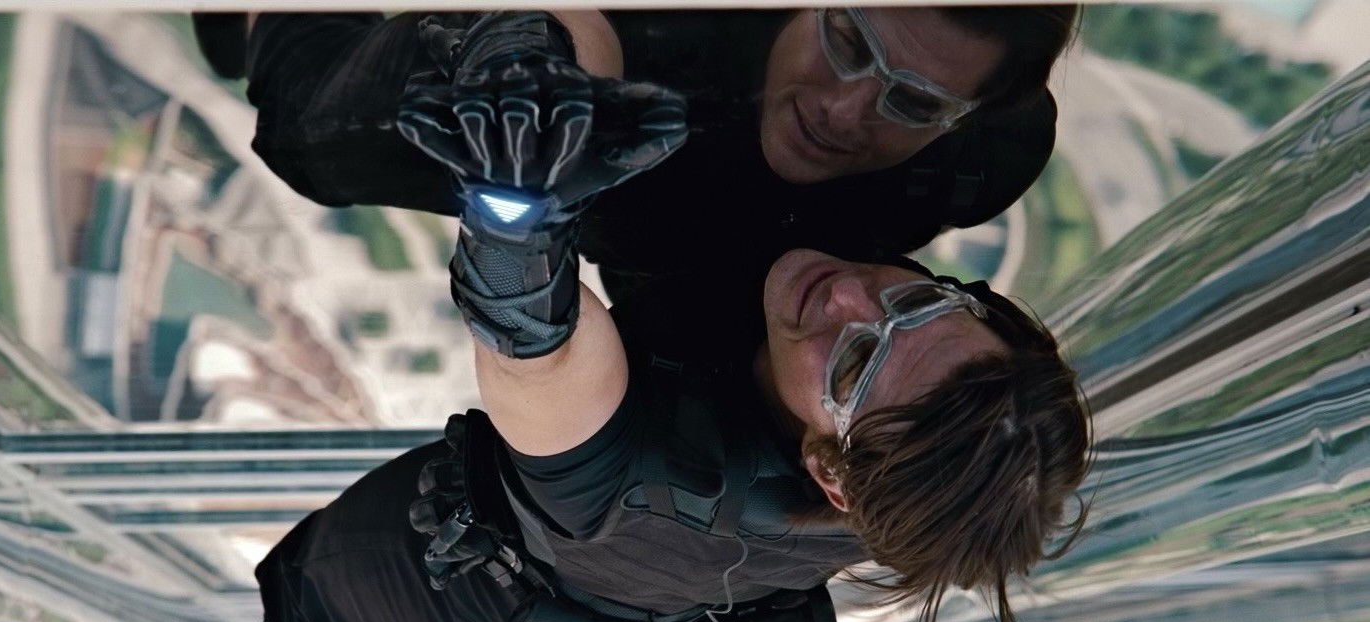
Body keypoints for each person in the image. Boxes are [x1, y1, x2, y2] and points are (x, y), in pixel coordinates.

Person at [197, 17, 1092, 622]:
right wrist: (554, 67)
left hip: (530, 593)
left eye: (855, 363)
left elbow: (538, 352)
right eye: (919, 304)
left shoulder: (645, 486)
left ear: (828, 471)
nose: (852, 296)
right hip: (714, 370)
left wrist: (520, 210)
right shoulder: (909, 438)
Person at [202, 5, 1076, 305]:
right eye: (846, 40)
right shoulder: (691, 25)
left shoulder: (990, 154)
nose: (844, 110)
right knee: (312, 134)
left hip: (700, 252)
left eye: (913, 102)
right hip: (613, 116)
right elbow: (590, 23)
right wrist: (545, 74)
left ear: (966, 117)